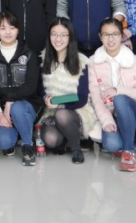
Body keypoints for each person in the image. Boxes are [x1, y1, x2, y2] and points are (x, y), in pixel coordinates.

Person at [88, 18, 136, 172]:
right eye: (106, 35)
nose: (110, 39)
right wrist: (106, 121)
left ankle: (128, 151)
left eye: (115, 34)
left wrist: (119, 90)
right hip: (111, 114)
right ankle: (122, 139)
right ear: (100, 37)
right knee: (111, 145)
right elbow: (95, 98)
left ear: (122, 36)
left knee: (120, 99)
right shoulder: (93, 62)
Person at [0, 11, 42, 165]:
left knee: (17, 108)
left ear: (18, 30)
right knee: (4, 142)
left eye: (12, 28)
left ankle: (27, 145)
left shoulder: (29, 54)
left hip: (25, 107)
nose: (8, 32)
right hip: (3, 111)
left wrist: (11, 100)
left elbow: (30, 86)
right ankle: (18, 131)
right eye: (3, 28)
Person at [40, 17, 99, 164]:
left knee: (62, 114)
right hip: (51, 111)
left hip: (76, 111)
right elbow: (39, 90)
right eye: (54, 34)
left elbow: (82, 97)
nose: (58, 39)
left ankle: (76, 149)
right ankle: (65, 138)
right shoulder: (43, 58)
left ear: (70, 37)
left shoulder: (81, 61)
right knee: (51, 140)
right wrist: (46, 98)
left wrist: (59, 103)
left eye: (63, 35)